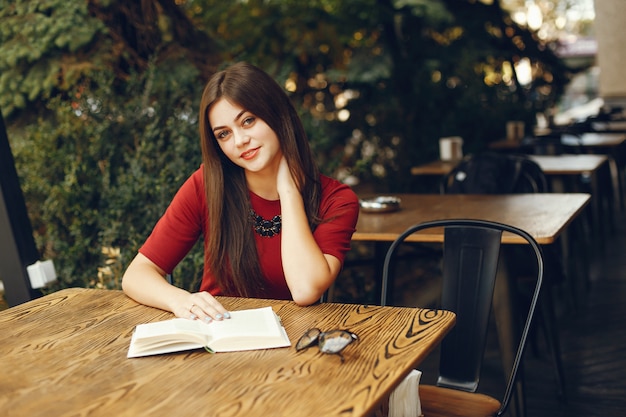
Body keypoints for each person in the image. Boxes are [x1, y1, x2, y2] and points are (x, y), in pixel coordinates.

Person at [122, 62, 359, 323]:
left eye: (248, 121)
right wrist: (181, 300)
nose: (239, 141)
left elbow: (305, 290)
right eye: (224, 134)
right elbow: (137, 274)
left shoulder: (336, 200)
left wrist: (288, 190)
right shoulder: (207, 185)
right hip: (218, 339)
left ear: (278, 115)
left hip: (296, 346)